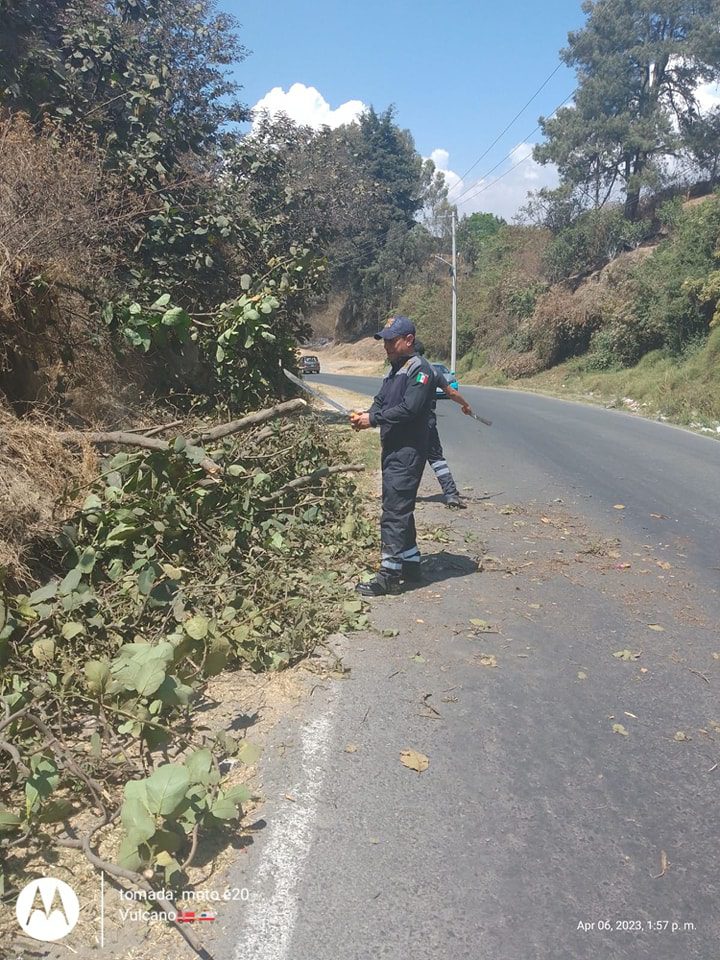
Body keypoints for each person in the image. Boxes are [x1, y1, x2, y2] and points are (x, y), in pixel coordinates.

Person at [350, 316, 437, 596]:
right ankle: (411, 565)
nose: (386, 345)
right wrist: (365, 414)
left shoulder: (421, 371)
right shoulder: (395, 369)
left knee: (393, 512)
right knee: (400, 506)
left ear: (408, 340)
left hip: (408, 451)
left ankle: (388, 575)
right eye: (385, 340)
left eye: (391, 340)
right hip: (393, 449)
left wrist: (374, 420)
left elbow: (409, 409)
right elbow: (381, 401)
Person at [414, 339, 475, 509]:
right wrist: (465, 405)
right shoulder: (431, 370)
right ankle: (450, 493)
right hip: (427, 422)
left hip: (407, 424)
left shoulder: (406, 369)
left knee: (409, 458)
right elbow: (451, 392)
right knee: (437, 459)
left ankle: (401, 495)